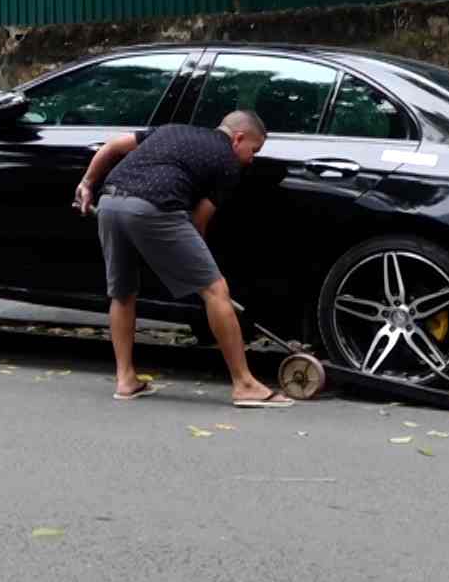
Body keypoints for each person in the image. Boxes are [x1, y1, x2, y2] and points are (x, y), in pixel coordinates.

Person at [74, 110, 290, 406]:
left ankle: (125, 379)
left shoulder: (171, 130)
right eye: (254, 150)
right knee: (216, 290)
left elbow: (111, 147)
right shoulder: (228, 162)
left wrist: (87, 183)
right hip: (154, 206)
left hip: (110, 202)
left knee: (122, 293)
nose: (252, 159)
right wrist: (197, 268)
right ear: (238, 138)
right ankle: (244, 384)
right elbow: (198, 222)